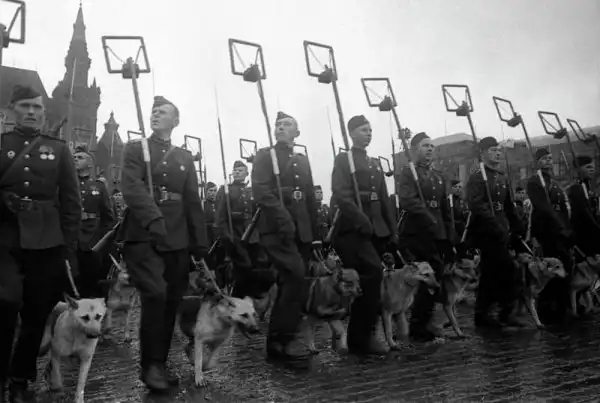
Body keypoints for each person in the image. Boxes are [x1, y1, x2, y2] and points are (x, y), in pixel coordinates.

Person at [119, 96, 208, 391]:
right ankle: (150, 366)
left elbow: (193, 202)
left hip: (177, 237)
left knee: (170, 301)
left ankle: (158, 361)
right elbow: (131, 187)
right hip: (144, 234)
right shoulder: (135, 148)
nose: (156, 114)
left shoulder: (184, 157)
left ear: (176, 121)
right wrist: (153, 217)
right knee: (155, 295)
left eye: (163, 112)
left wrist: (199, 243)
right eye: (154, 111)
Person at [0, 85, 81, 401]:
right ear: (12, 109)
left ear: (44, 113)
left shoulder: (58, 150)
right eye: (25, 106)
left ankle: (20, 378)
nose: (31, 112)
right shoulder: (2, 144)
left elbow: (71, 202)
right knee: (6, 303)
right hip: (5, 238)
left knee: (36, 313)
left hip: (47, 241)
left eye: (37, 107)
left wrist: (68, 248)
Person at [251, 111, 319, 362]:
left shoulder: (302, 160)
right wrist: (282, 217)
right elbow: (260, 190)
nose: (280, 127)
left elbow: (309, 197)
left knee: (294, 283)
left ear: (296, 132)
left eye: (287, 124)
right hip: (277, 229)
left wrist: (315, 234)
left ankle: (282, 339)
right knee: (295, 278)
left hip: (301, 230)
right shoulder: (265, 155)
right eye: (278, 124)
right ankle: (280, 341)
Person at [331, 115, 395, 354]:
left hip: (376, 228)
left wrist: (392, 229)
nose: (368, 133)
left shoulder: (375, 163)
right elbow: (341, 194)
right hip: (353, 229)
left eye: (370, 130)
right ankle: (362, 337)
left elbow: (385, 199)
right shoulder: (344, 159)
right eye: (363, 130)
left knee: (370, 282)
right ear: (351, 133)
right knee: (372, 273)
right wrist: (360, 218)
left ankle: (363, 335)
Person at [398, 132, 453, 341]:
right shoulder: (409, 172)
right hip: (416, 231)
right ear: (414, 149)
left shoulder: (439, 176)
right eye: (424, 145)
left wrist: (448, 234)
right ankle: (418, 322)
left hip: (436, 231)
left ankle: (424, 318)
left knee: (436, 273)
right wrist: (426, 216)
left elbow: (445, 207)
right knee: (425, 275)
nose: (429, 149)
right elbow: (408, 200)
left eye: (431, 146)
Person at [466, 136, 524, 329]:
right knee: (508, 268)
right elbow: (476, 204)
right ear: (482, 153)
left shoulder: (501, 177)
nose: (498, 153)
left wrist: (516, 225)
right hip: (486, 231)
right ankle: (504, 311)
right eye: (493, 150)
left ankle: (484, 314)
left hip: (501, 230)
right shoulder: (477, 176)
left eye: (499, 150)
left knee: (491, 273)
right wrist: (494, 224)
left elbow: (508, 205)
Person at [527, 148, 572, 321]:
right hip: (546, 232)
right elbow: (543, 208)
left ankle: (562, 306)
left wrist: (567, 228)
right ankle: (548, 309)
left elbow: (563, 208)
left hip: (561, 232)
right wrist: (560, 227)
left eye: (550, 158)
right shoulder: (535, 181)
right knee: (548, 272)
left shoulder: (553, 182)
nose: (548, 160)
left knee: (564, 267)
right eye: (544, 158)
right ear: (537, 162)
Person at [216, 160, 270, 298]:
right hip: (235, 233)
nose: (237, 172)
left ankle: (253, 295)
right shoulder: (226, 190)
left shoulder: (251, 191)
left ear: (246, 173)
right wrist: (226, 235)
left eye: (240, 170)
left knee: (258, 265)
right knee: (242, 267)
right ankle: (238, 296)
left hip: (252, 234)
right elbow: (221, 216)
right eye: (235, 170)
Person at [72, 145, 115, 298]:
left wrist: (102, 241)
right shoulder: (67, 183)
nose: (75, 159)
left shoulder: (98, 186)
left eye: (80, 157)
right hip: (71, 236)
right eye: (74, 157)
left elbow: (108, 217)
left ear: (90, 163)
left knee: (90, 279)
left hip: (91, 238)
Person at [567, 155, 600, 257]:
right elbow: (585, 215)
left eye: (593, 167)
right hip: (585, 237)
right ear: (578, 170)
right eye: (588, 167)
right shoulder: (576, 189)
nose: (592, 169)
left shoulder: (590, 188)